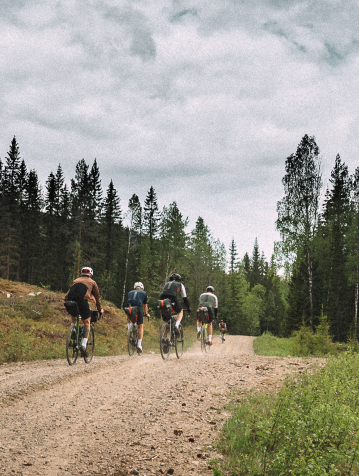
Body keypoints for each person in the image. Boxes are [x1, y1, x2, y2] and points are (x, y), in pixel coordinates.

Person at [65, 267, 104, 357]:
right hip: (82, 301)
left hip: (70, 302)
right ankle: (83, 345)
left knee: (73, 315)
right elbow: (97, 298)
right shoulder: (92, 282)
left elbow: (69, 293)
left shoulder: (75, 280)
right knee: (87, 321)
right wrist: (99, 309)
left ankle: (73, 329)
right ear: (91, 275)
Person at [126, 282, 150, 354]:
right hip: (138, 308)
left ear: (134, 288)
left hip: (129, 308)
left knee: (129, 317)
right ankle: (139, 345)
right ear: (142, 288)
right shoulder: (144, 293)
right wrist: (146, 314)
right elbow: (145, 305)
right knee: (140, 326)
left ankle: (129, 329)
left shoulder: (130, 292)